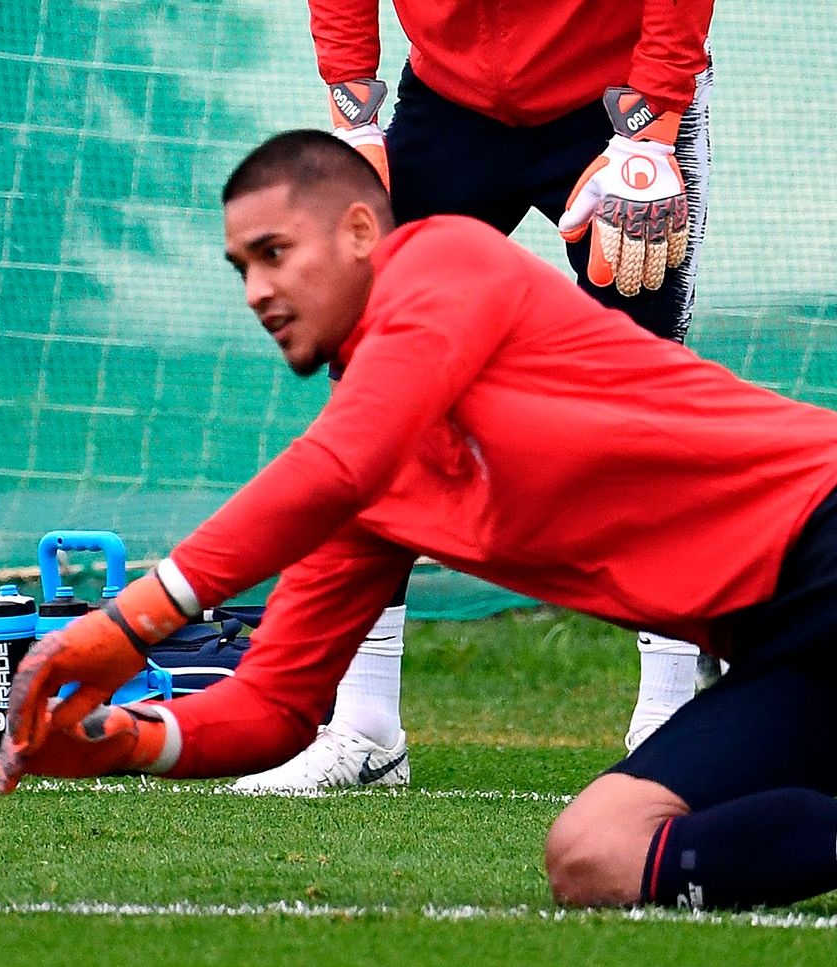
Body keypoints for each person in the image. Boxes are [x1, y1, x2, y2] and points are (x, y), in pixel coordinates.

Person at [0, 132, 837, 918]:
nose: (258, 290)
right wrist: (128, 738)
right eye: (238, 271)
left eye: (275, 253)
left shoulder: (443, 261)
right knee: (596, 858)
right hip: (780, 637)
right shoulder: (361, 476)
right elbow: (279, 705)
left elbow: (349, 453)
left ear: (358, 230)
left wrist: (135, 619)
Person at [248, 0, 723, 791]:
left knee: (642, 402)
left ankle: (672, 719)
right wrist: (354, 112)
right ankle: (365, 728)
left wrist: (654, 121)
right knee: (374, 383)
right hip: (450, 101)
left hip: (615, 104)